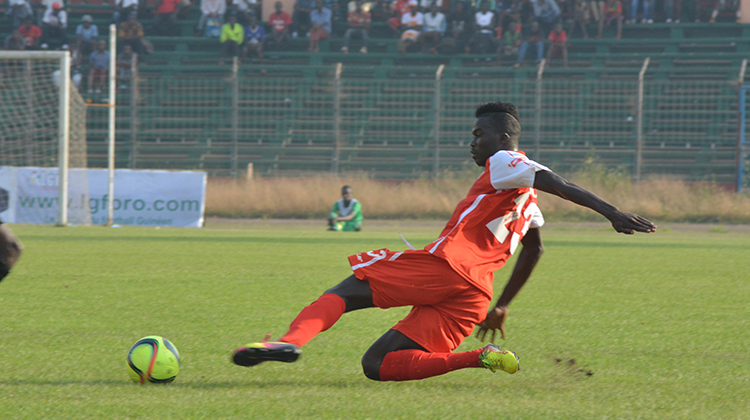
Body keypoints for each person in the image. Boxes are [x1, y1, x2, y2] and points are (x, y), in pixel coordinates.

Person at [232, 101, 656, 382]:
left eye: (478, 135)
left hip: (445, 267)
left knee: (344, 292)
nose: (473, 143)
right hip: (473, 295)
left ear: (503, 138)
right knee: (376, 365)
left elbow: (555, 181)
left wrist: (611, 213)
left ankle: (290, 341)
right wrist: (502, 305)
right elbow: (535, 249)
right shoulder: (525, 203)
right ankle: (480, 358)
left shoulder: (507, 162)